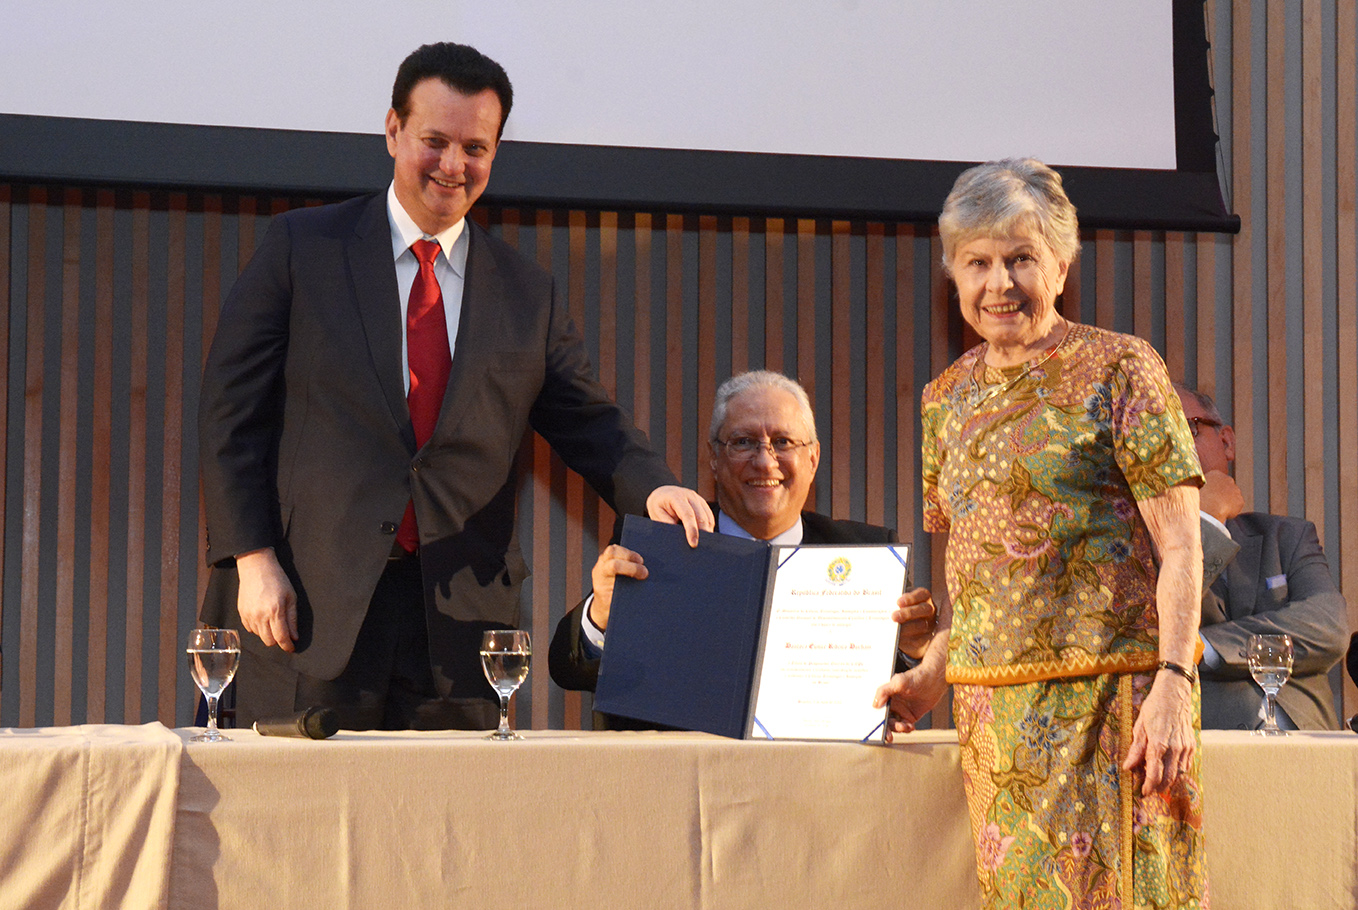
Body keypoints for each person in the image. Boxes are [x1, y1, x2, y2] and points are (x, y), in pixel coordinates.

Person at [197, 42, 711, 732]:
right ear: (392, 131)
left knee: (447, 836)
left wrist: (655, 487)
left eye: (475, 147)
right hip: (305, 611)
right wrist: (254, 560)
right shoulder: (303, 249)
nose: (453, 165)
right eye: (434, 141)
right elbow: (231, 415)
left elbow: (589, 419)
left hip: (462, 634)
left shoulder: (527, 293)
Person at [874, 159, 1208, 908]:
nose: (1000, 283)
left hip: (1113, 709)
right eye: (979, 263)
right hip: (995, 723)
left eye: (1021, 258)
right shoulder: (945, 398)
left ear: (1061, 265)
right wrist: (934, 672)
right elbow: (977, 578)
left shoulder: (1121, 368)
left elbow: (1183, 546)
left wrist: (1174, 686)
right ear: (953, 276)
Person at [549, 370, 937, 728]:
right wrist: (601, 616)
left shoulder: (867, 555)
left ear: (813, 458)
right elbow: (567, 669)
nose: (765, 462)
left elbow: (896, 681)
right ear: (714, 458)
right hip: (672, 783)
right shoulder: (661, 541)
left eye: (783, 442)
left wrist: (914, 650)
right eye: (744, 443)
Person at [1175, 383, 1348, 730]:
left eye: (1187, 427)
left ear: (1226, 441)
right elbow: (1155, 622)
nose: (1174, 446)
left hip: (1306, 747)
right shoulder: (1134, 550)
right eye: (1157, 436)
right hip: (1203, 748)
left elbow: (1328, 627)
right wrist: (1206, 520)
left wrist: (1202, 647)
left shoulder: (1287, 536)